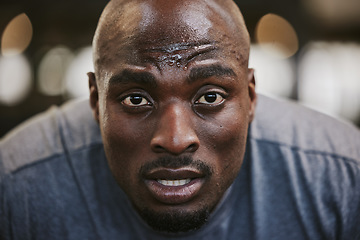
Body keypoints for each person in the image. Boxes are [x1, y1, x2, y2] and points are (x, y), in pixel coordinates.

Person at [1, 0, 359, 239]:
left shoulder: (340, 180)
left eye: (210, 97)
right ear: (96, 100)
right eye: (137, 99)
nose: (175, 139)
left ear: (251, 96)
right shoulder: (17, 188)